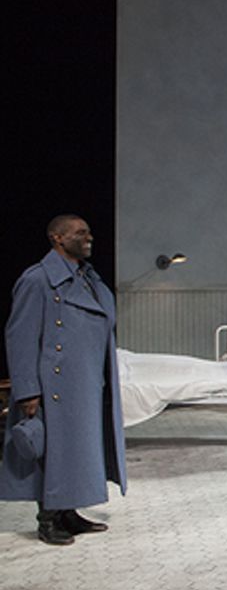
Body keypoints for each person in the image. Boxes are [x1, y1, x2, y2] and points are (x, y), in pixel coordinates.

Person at [1, 214, 127, 545]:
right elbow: (20, 336)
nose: (89, 237)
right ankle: (48, 520)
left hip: (84, 383)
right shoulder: (38, 280)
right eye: (79, 233)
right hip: (52, 385)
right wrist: (28, 390)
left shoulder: (87, 278)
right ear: (57, 238)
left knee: (78, 450)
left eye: (89, 231)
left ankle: (69, 512)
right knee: (53, 451)